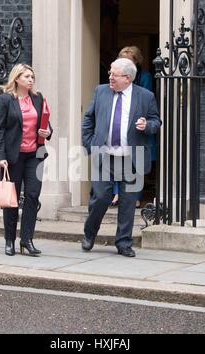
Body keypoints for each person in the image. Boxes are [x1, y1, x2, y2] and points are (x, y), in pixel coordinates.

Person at [81, 58, 161, 257]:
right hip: (105, 156)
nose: (110, 77)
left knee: (127, 201)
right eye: (110, 73)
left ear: (127, 78)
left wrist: (147, 125)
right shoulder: (101, 91)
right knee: (100, 198)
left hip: (132, 158)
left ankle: (123, 242)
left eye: (113, 74)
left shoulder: (145, 96)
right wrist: (90, 144)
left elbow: (155, 121)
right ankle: (89, 234)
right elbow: (88, 118)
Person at [0, 63, 52, 256]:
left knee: (33, 196)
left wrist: (48, 132)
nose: (31, 80)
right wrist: (0, 156)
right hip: (14, 157)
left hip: (34, 155)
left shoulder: (38, 98)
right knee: (12, 199)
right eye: (27, 76)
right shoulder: (5, 100)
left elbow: (46, 125)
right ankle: (9, 239)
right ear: (17, 78)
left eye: (32, 77)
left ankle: (27, 239)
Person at [111, 46, 155, 208]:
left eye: (128, 62)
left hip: (137, 126)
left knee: (136, 163)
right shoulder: (113, 81)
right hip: (118, 126)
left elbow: (145, 99)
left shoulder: (144, 77)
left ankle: (136, 196)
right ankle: (116, 193)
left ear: (136, 62)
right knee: (117, 160)